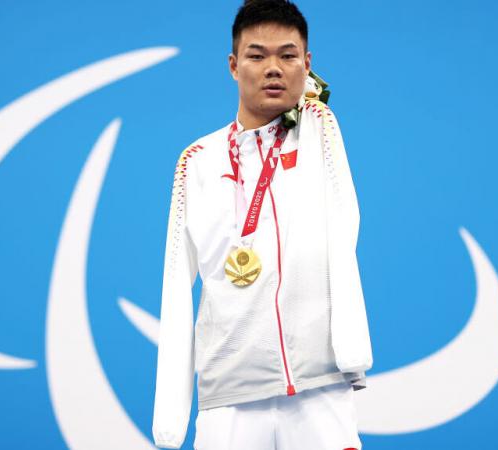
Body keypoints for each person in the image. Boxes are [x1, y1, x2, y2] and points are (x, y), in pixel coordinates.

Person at [152, 1, 373, 448]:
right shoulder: (197, 162)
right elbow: (175, 286)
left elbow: (346, 223)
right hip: (229, 397)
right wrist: (170, 417)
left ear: (307, 64)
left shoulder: (319, 130)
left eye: (288, 56)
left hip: (320, 386)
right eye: (257, 56)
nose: (273, 68)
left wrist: (351, 351)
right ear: (234, 66)